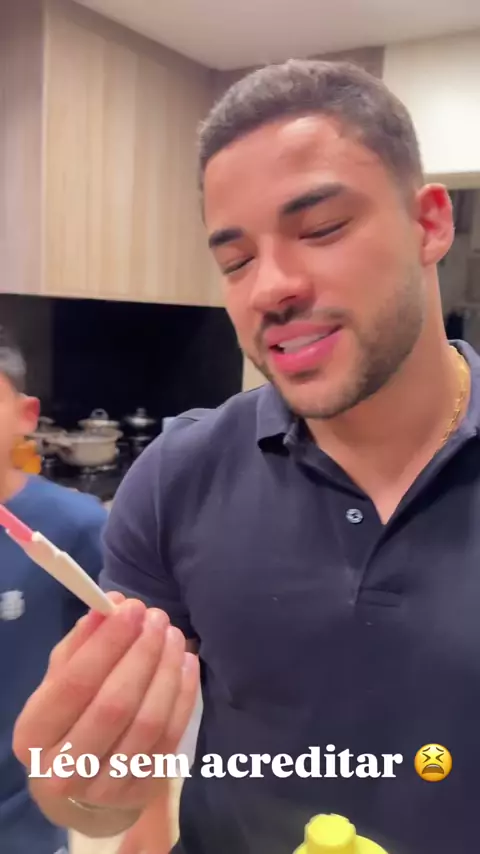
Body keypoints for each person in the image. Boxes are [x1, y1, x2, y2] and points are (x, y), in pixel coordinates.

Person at [12, 59, 480, 854]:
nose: (269, 288)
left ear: (429, 224)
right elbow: (118, 798)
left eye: (322, 228)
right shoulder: (178, 476)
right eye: (235, 261)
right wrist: (86, 789)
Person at [0, 329, 108, 854]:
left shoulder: (74, 527)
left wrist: (150, 814)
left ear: (25, 415)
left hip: (24, 826)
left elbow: (131, 671)